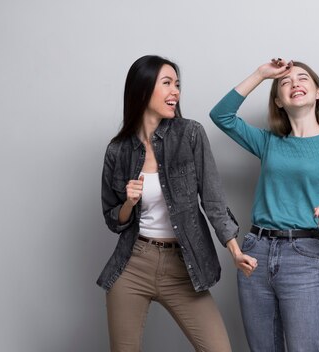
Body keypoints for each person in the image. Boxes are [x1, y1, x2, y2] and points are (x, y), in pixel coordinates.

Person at [97, 55, 257, 352]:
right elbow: (112, 219)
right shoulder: (118, 150)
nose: (176, 92)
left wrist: (234, 250)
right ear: (143, 89)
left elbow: (213, 199)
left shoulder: (190, 134)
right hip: (133, 264)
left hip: (182, 265)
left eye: (178, 85)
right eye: (167, 83)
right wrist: (129, 204)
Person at [210, 59, 319, 351]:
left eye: (303, 78)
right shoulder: (270, 143)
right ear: (279, 101)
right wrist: (261, 74)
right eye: (285, 82)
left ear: (318, 92)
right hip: (256, 252)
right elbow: (221, 115)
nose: (295, 84)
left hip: (302, 256)